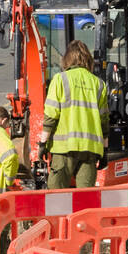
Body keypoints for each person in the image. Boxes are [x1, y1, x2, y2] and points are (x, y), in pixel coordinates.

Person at [41, 39, 109, 189]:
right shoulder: (99, 84)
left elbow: (51, 116)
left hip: (63, 149)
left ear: (67, 59)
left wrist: (42, 144)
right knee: (86, 198)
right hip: (90, 150)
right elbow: (104, 121)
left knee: (57, 197)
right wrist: (105, 150)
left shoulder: (60, 79)